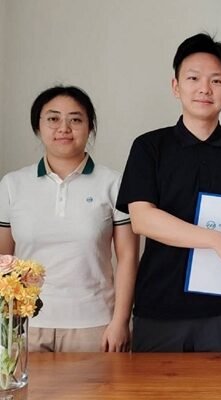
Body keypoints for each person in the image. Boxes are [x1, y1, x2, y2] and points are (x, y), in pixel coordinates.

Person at [116, 33, 221, 352]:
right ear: (176, 86)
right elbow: (142, 220)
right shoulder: (149, 147)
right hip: (158, 307)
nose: (204, 88)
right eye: (193, 78)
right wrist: (217, 240)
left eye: (216, 81)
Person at [0, 85, 139, 352]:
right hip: (25, 326)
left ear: (89, 127)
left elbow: (128, 258)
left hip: (95, 326)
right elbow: (3, 261)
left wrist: (120, 321)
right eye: (53, 119)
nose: (64, 128)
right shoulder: (12, 185)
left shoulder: (114, 183)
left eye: (75, 120)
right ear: (38, 126)